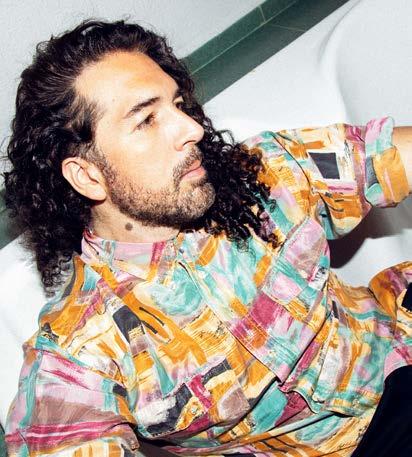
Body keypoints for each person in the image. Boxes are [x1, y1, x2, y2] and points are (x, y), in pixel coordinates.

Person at [3, 19, 412, 457]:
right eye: (147, 119)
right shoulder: (83, 349)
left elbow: (379, 157)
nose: (192, 129)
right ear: (87, 176)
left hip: (397, 338)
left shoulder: (255, 177)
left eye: (178, 105)